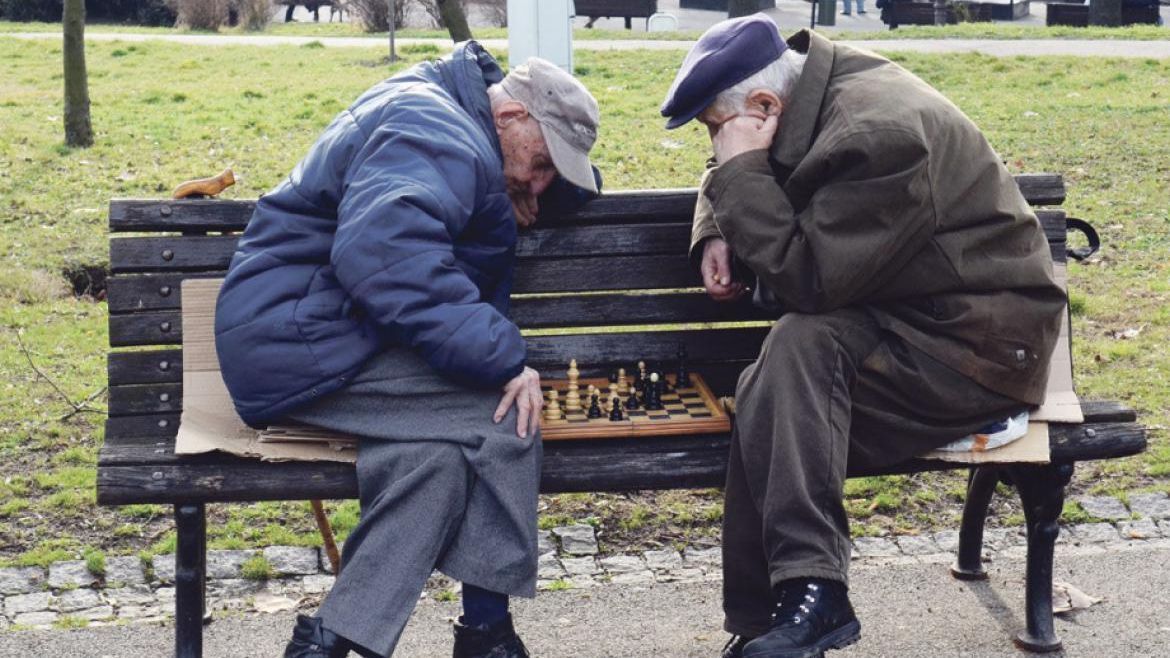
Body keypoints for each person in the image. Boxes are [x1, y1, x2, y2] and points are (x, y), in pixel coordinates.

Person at [659, 15, 1064, 658]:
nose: (718, 141)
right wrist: (715, 220)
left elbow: (809, 280)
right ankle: (789, 608)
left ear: (764, 105)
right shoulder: (809, 86)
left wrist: (739, 177)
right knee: (777, 383)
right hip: (907, 314)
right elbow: (740, 159)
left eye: (716, 125)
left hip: (976, 347)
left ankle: (798, 602)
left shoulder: (880, 136)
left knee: (788, 369)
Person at [214, 42, 601, 658]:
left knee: (434, 462)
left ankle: (334, 643)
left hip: (321, 333)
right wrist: (504, 359)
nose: (540, 182)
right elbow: (387, 257)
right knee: (507, 419)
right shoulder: (435, 131)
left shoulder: (448, 115)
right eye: (543, 163)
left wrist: (526, 185)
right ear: (507, 118)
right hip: (300, 343)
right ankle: (487, 638)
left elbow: (426, 231)